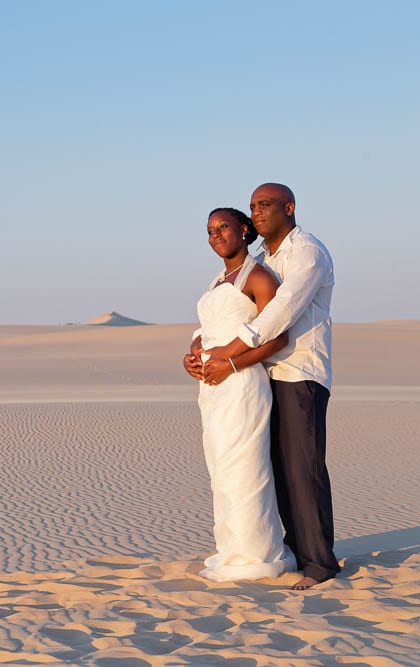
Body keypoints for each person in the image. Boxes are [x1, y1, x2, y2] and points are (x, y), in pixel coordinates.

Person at [196, 183, 339, 590]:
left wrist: (231, 354)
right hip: (263, 375)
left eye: (265, 205)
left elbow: (281, 312)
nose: (257, 212)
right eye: (253, 206)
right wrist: (206, 348)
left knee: (302, 468)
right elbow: (235, 308)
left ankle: (319, 565)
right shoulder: (262, 257)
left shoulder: (308, 252)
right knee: (272, 470)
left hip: (299, 372)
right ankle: (294, 552)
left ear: (288, 208)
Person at [184, 207, 296, 582]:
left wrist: (230, 365)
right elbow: (208, 330)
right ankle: (232, 550)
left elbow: (277, 336)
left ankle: (256, 555)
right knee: (221, 469)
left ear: (244, 230)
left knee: (243, 468)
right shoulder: (218, 280)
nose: (215, 235)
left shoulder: (259, 276)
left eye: (223, 227)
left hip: (242, 383)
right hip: (211, 387)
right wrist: (193, 354)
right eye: (210, 230)